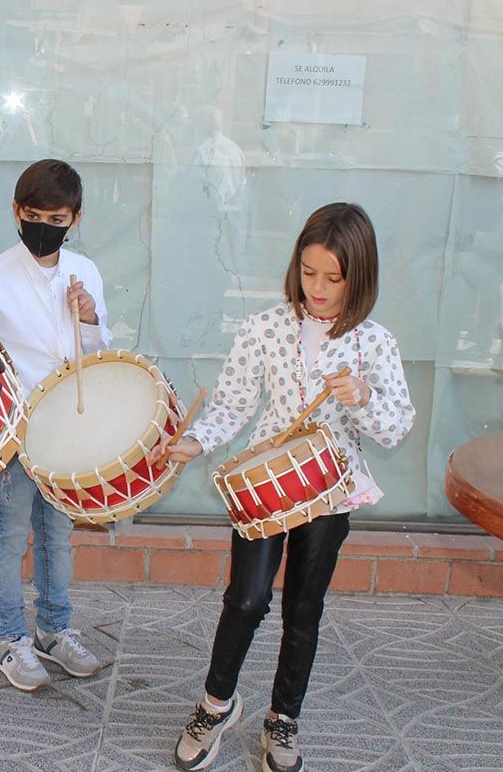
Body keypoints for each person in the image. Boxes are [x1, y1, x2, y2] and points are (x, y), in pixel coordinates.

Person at [154, 203, 415, 772]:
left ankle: (283, 719)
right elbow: (231, 402)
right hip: (265, 484)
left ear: (359, 277)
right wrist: (196, 441)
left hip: (330, 489)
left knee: (304, 608)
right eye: (308, 271)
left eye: (333, 278)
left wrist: (363, 398)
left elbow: (397, 426)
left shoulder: (375, 343)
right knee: (245, 600)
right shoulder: (265, 326)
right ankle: (215, 705)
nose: (317, 289)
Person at [0, 159, 110, 691]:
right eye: (35, 214)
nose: (46, 225)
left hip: (66, 430)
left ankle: (54, 628)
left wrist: (88, 318)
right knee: (9, 535)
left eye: (58, 217)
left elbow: (97, 352)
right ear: (17, 213)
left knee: (58, 536)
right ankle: (10, 638)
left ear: (76, 219)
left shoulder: (85, 272)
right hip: (13, 432)